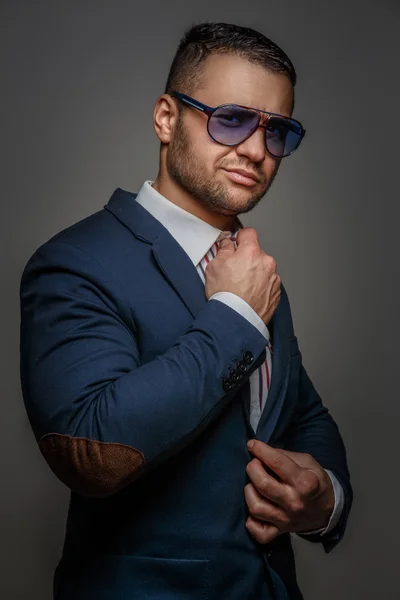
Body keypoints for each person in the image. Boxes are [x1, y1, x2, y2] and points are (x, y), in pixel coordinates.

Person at [19, 21, 352, 600]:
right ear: (167, 118)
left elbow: (300, 412)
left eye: (278, 132)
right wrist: (233, 316)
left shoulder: (252, 268)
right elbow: (90, 450)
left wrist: (325, 497)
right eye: (232, 118)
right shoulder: (73, 262)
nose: (256, 149)